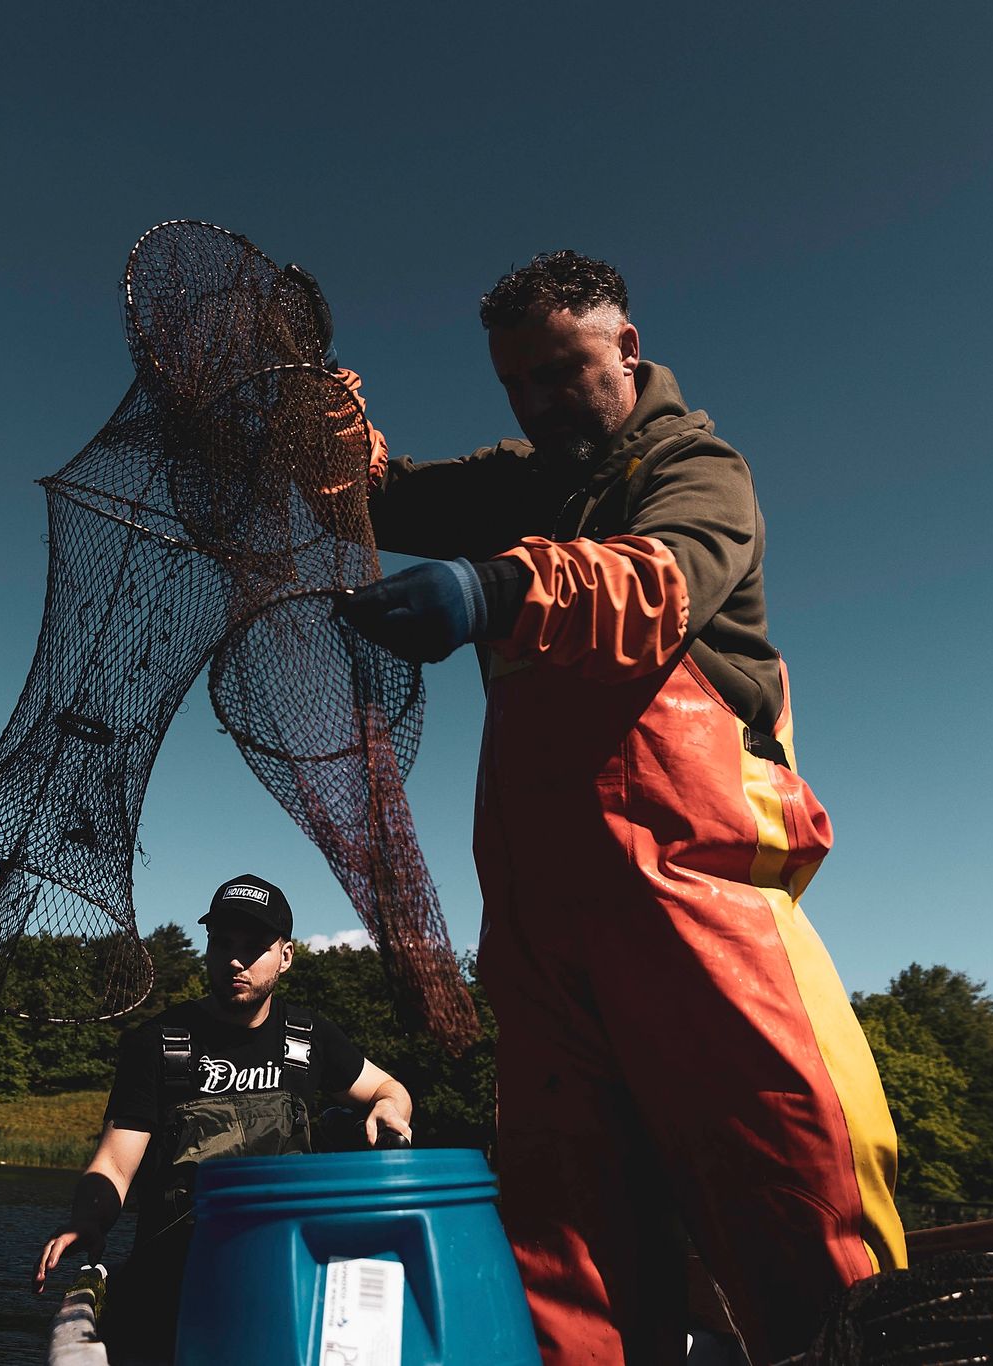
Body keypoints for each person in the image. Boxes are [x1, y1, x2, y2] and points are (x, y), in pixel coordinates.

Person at [333, 252, 906, 1365]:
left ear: (627, 350)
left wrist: (491, 587)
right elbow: (380, 498)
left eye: (559, 372)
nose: (536, 402)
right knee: (565, 1246)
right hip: (541, 932)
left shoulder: (697, 467)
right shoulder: (519, 478)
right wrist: (331, 447)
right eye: (515, 383)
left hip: (697, 901)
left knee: (796, 1189)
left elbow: (658, 584)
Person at [32, 873, 414, 1357]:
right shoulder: (157, 1042)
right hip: (173, 1289)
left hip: (287, 1286)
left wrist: (388, 1107)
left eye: (254, 946)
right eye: (223, 943)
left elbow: (389, 1089)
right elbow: (114, 1163)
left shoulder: (310, 1037)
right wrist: (89, 1219)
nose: (236, 959)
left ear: (286, 956)